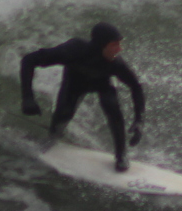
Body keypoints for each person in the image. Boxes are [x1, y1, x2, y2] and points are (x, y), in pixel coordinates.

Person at [20, 22, 145, 171]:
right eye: (114, 45)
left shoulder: (116, 64)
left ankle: (121, 154)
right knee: (63, 114)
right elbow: (29, 60)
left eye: (119, 44)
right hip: (74, 84)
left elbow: (136, 87)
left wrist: (139, 120)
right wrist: (28, 97)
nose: (119, 49)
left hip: (103, 84)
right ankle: (52, 140)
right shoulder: (72, 50)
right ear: (101, 45)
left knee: (111, 106)